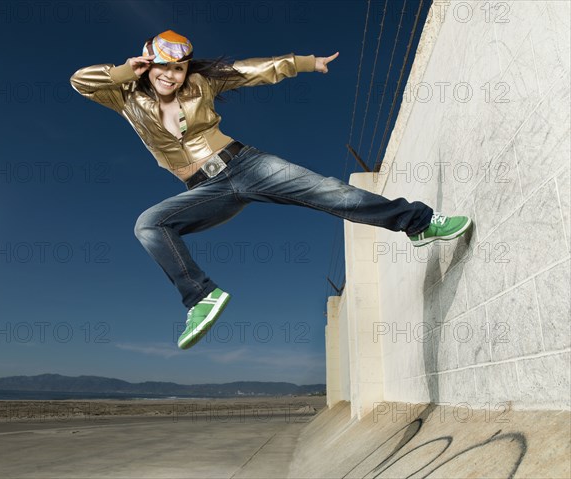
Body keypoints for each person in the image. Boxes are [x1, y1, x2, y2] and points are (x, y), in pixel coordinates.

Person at [70, 29, 472, 350]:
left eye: (178, 69)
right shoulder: (124, 96)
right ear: (147, 63)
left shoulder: (200, 83)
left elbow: (252, 70)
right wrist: (126, 69)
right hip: (205, 189)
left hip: (245, 165)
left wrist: (304, 63)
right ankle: (201, 298)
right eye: (162, 67)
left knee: (330, 192)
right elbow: (79, 82)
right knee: (150, 224)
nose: (170, 76)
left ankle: (419, 222)